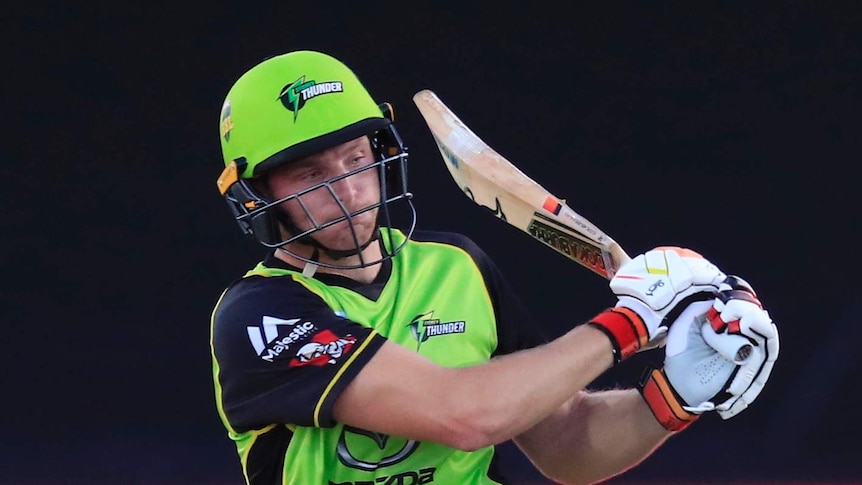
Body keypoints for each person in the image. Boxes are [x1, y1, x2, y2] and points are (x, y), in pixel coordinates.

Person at [210, 50, 779, 485]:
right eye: (312, 176)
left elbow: (566, 443)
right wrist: (631, 323)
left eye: (358, 159)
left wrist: (674, 396)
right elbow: (466, 415)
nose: (350, 192)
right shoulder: (259, 317)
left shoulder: (455, 266)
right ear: (257, 195)